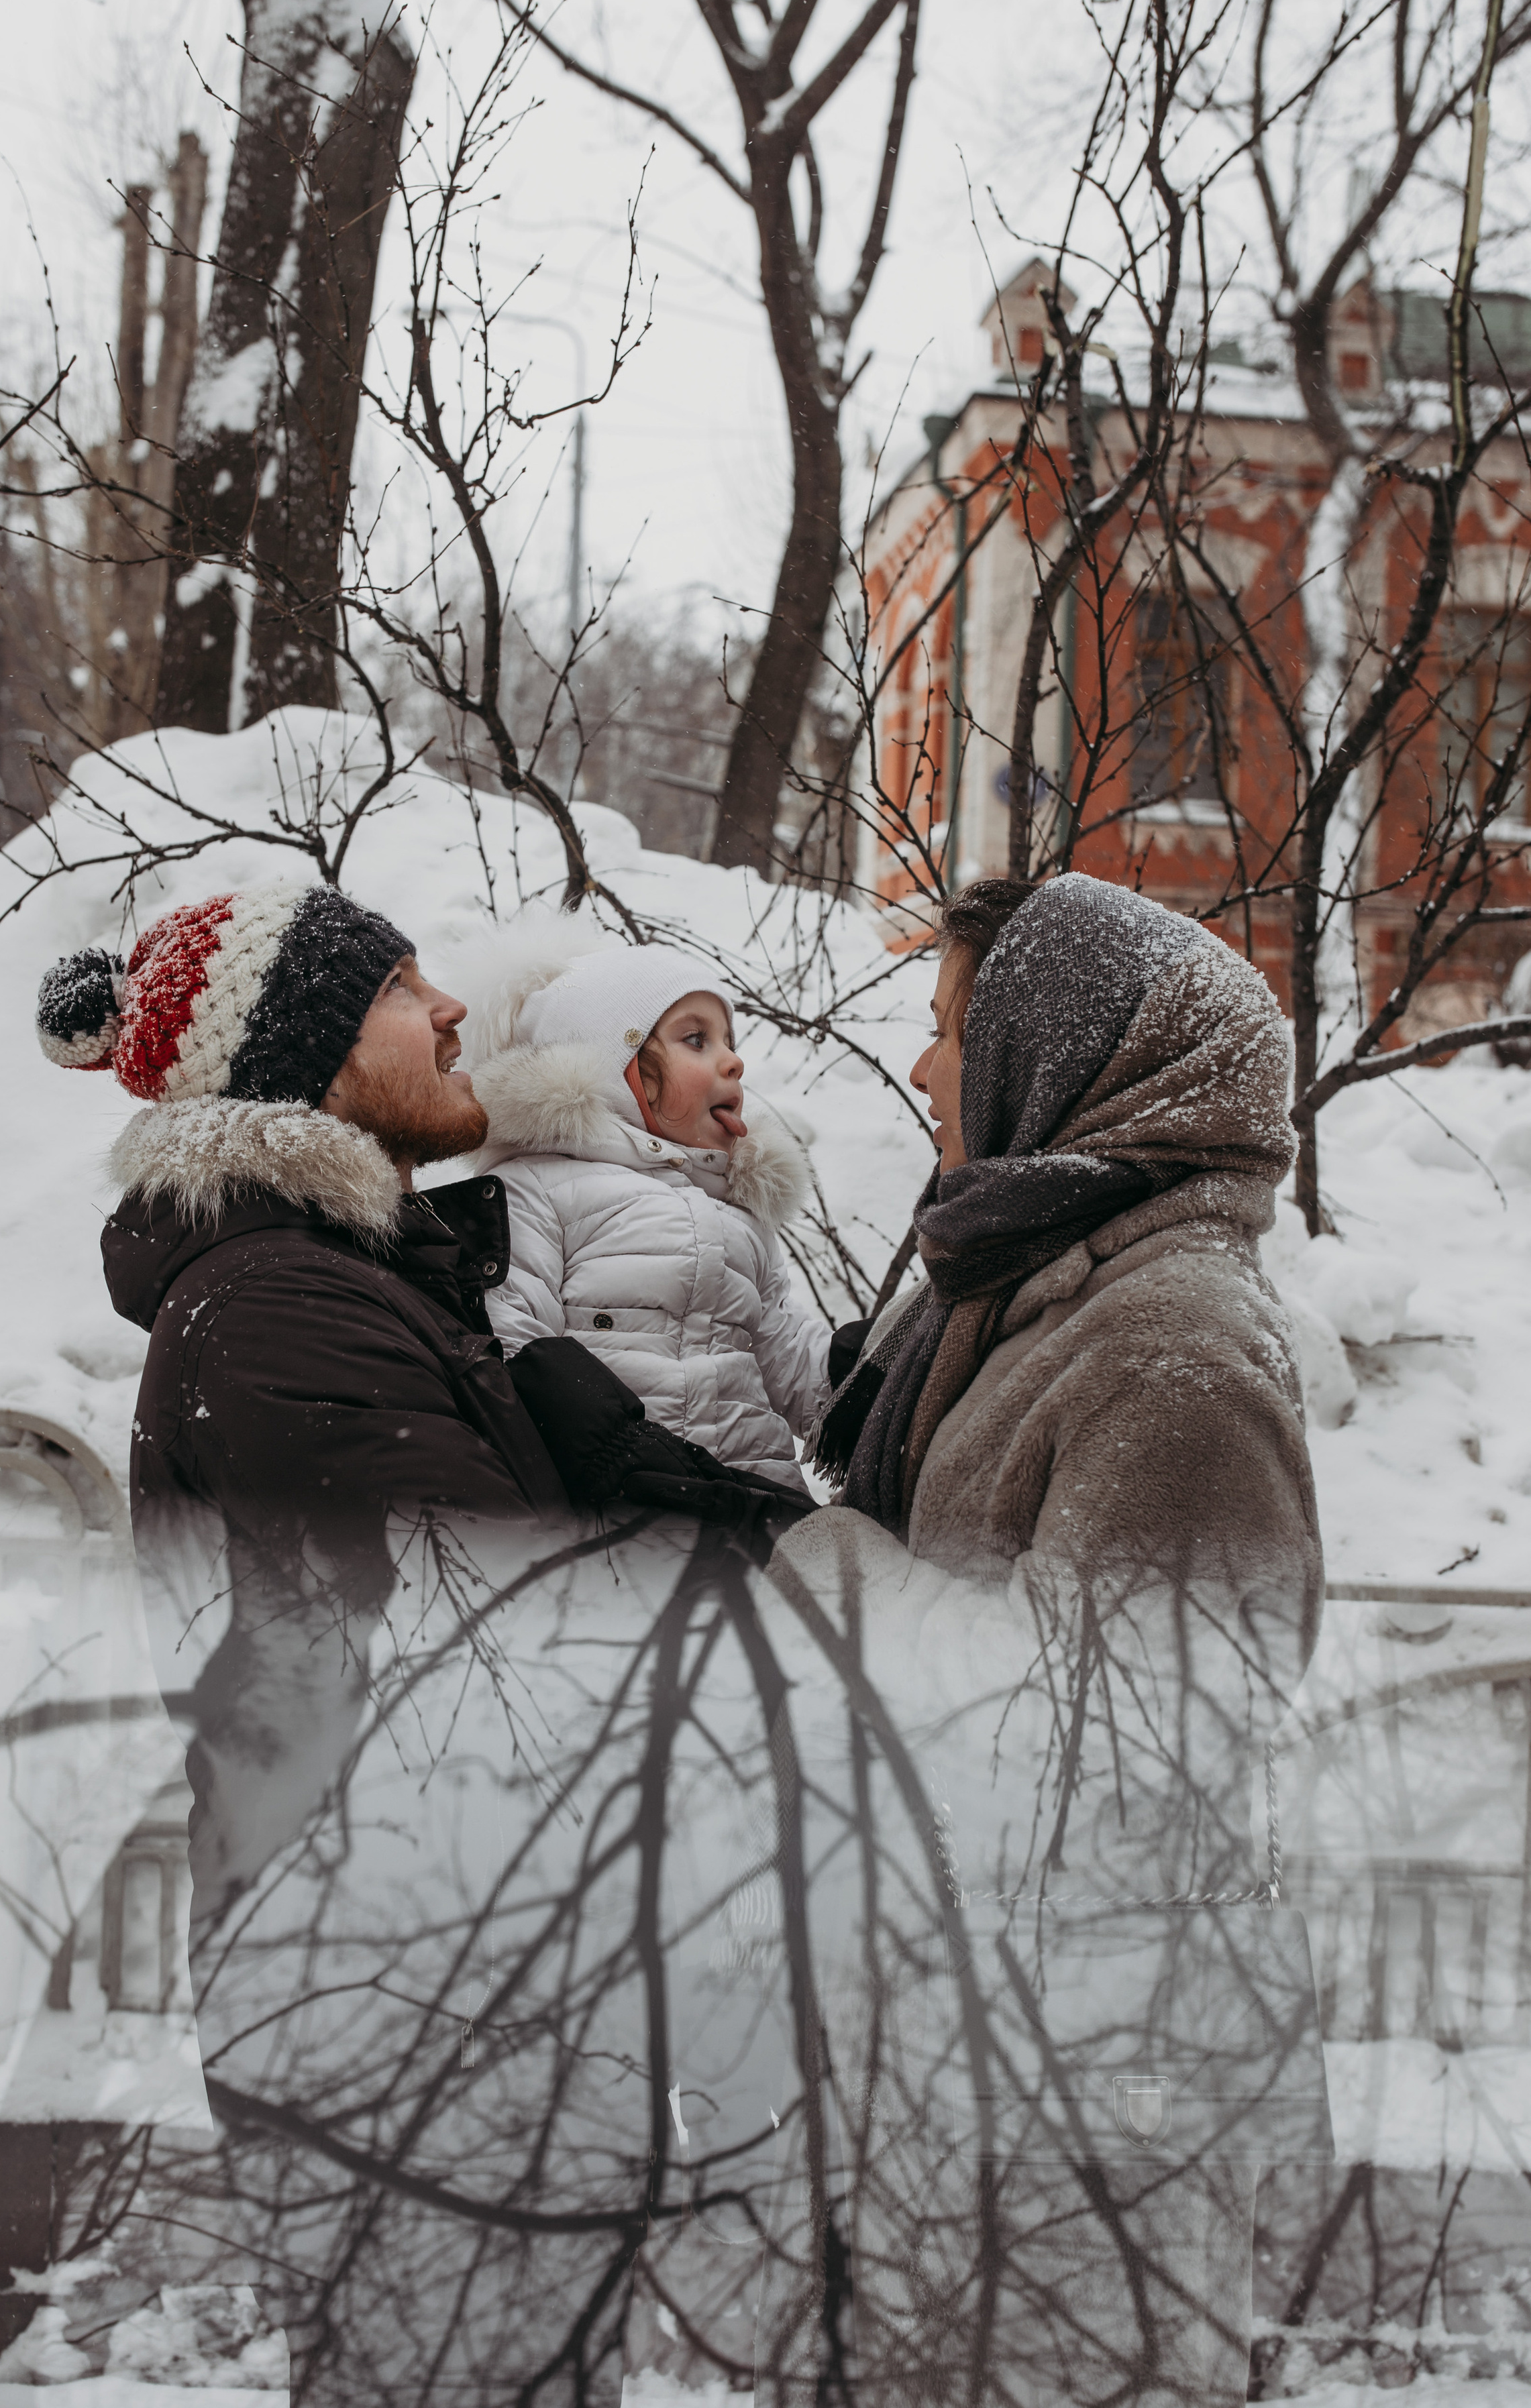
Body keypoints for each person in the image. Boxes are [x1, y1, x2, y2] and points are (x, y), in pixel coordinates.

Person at [715, 868, 1328, 2408]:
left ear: (1061, 1066)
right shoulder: (1018, 1301)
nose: (926, 1067)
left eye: (947, 1027)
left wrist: (816, 1568)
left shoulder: (1173, 1348)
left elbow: (1141, 1774)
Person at [461, 932, 839, 1486]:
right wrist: (617, 1453)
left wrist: (866, 1370)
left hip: (762, 1516)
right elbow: (511, 1343)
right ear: (614, 1063)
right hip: (623, 1517)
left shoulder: (737, 1214)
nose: (733, 1061)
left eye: (729, 1041)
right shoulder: (534, 1188)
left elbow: (787, 1356)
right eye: (696, 1039)